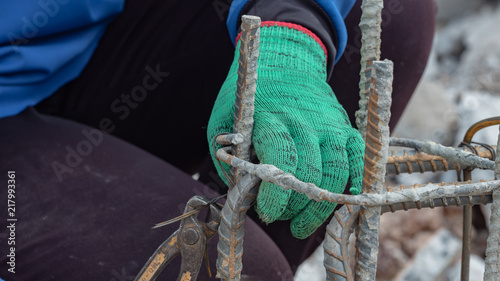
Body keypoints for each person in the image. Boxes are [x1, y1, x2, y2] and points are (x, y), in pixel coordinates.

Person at [0, 0, 436, 280]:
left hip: (78, 51)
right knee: (230, 265)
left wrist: (290, 25)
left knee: (385, 11)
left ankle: (243, 242)